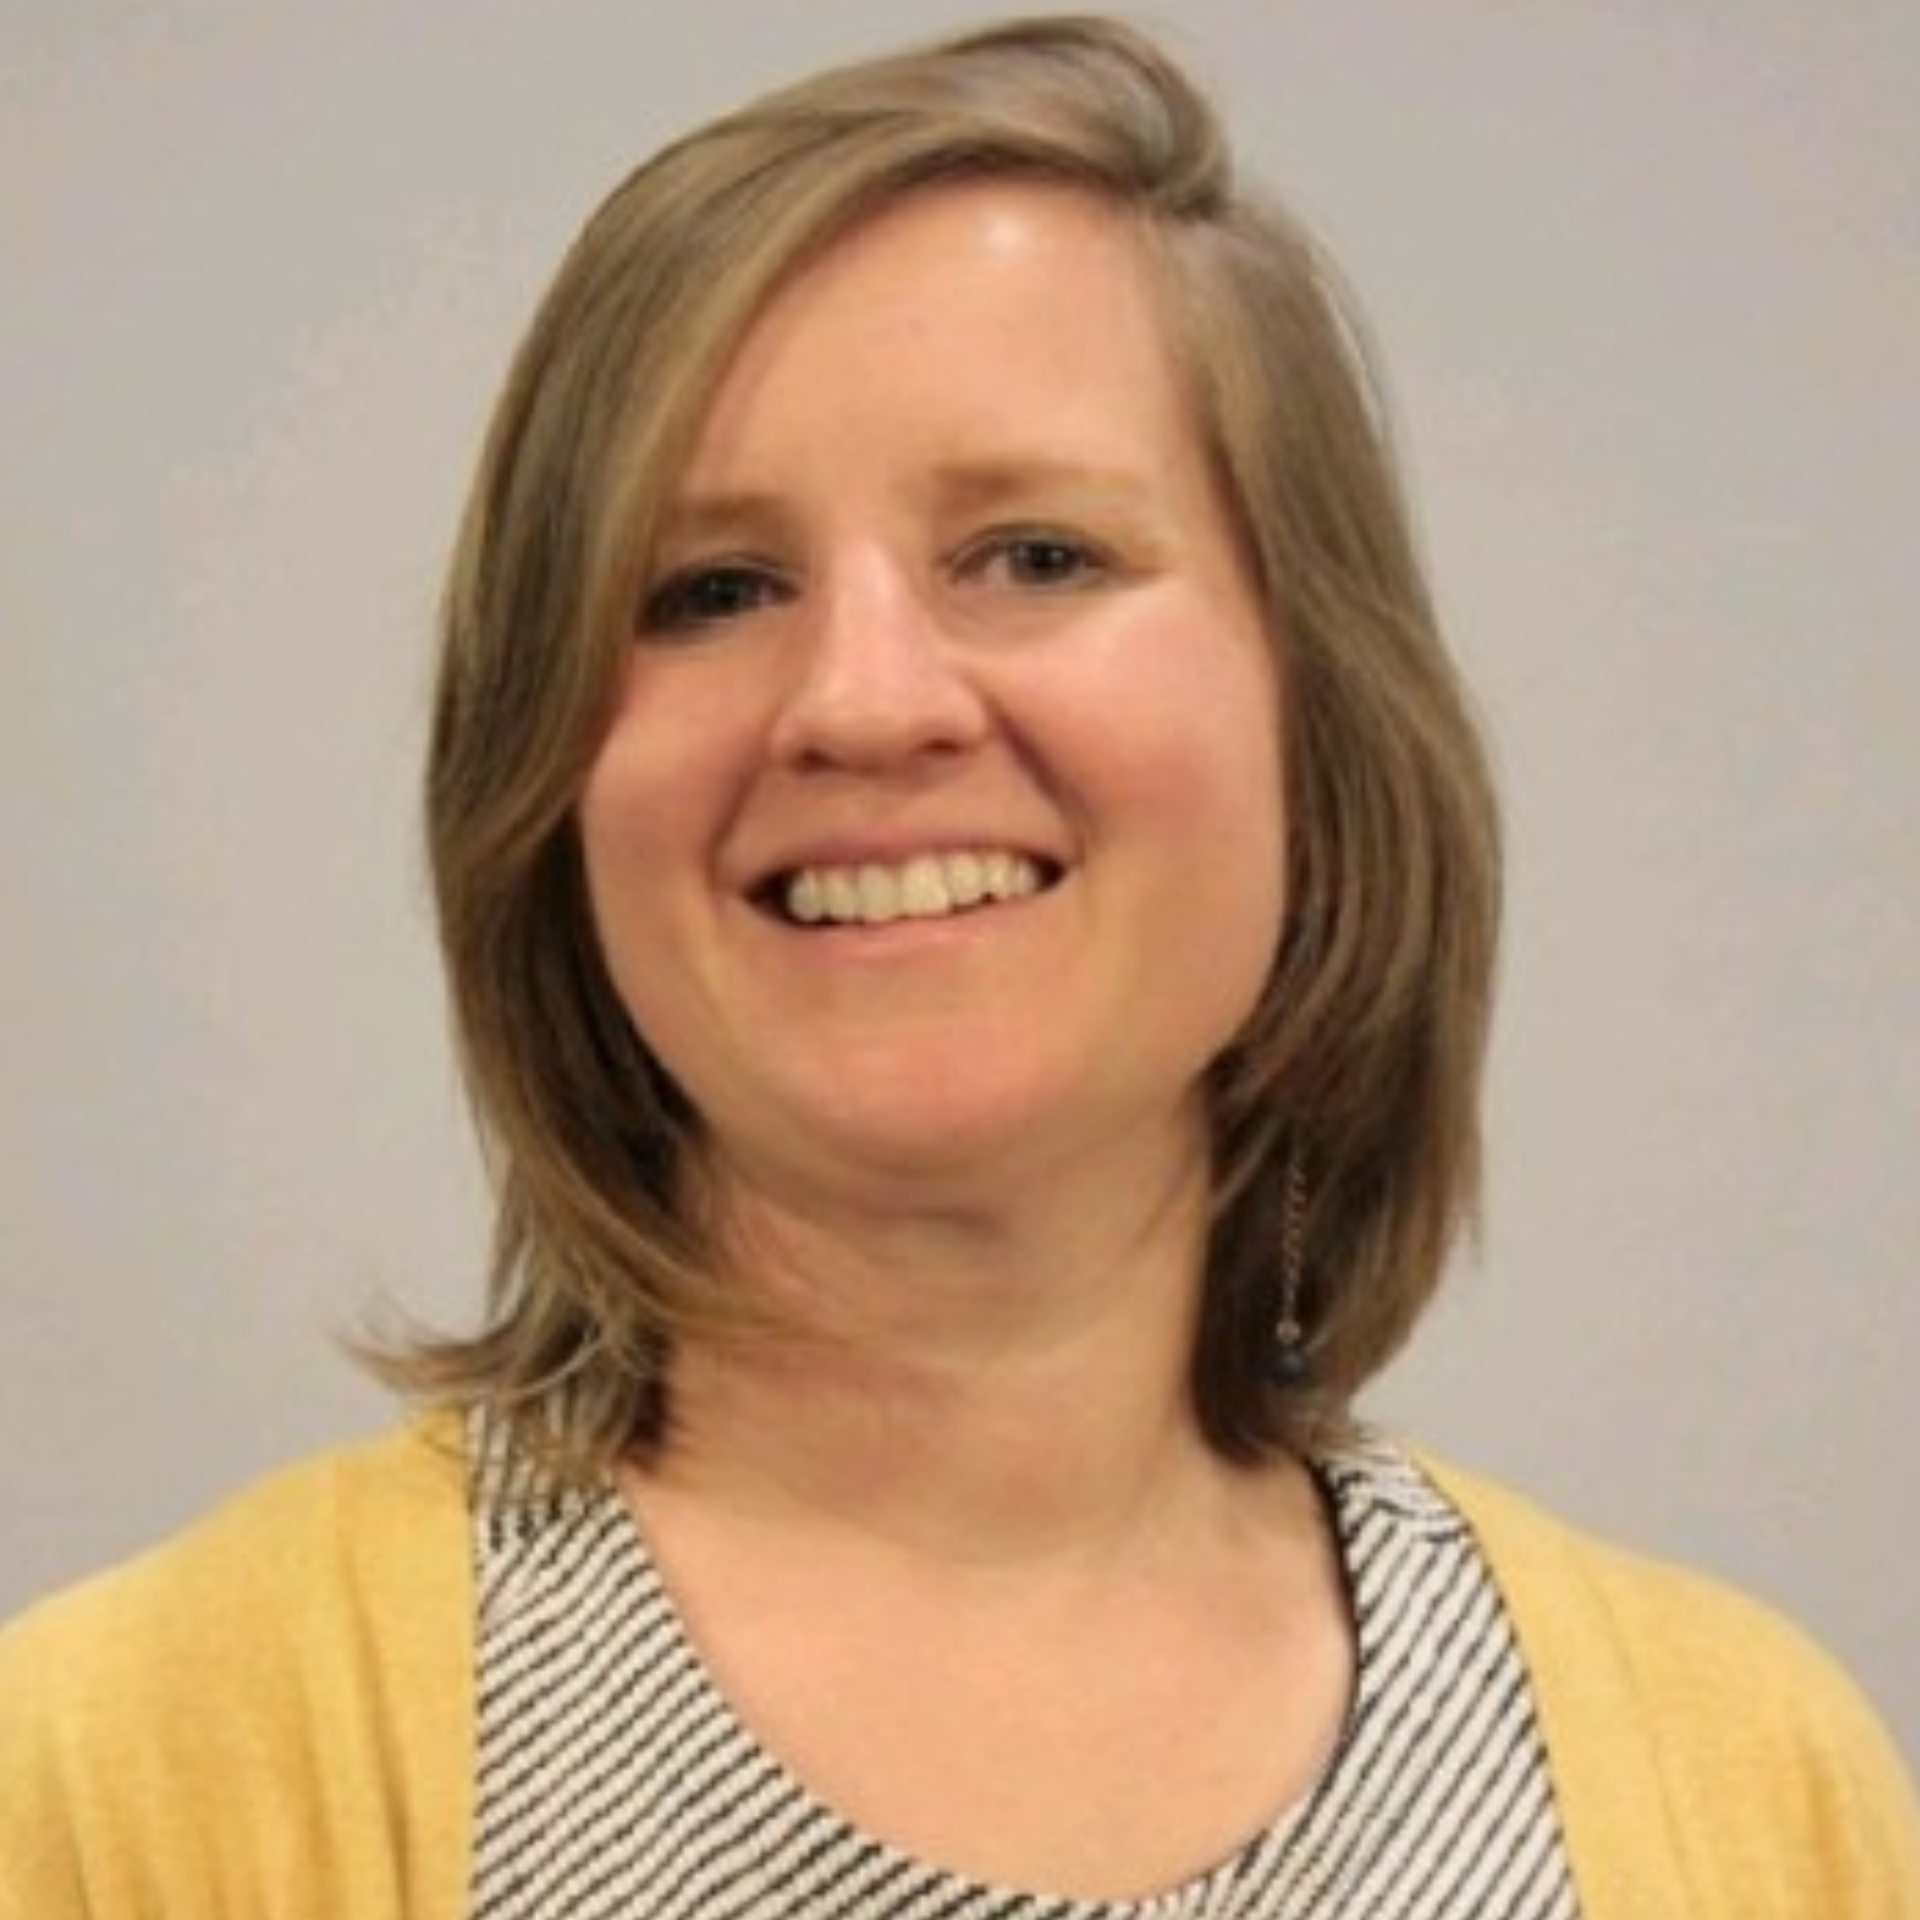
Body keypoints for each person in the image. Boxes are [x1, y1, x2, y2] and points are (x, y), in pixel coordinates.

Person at [2, 17, 1915, 1918]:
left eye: (1034, 554)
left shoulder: (1760, 1790)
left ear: (1316, 715)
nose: (861, 702)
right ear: (548, 783)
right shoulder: (119, 1779)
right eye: (712, 592)